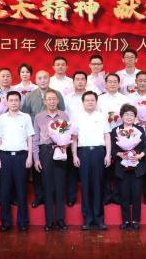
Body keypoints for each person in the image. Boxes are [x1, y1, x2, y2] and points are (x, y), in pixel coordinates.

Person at [22, 70, 66, 208]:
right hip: (37, 136)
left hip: (56, 141)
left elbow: (62, 113)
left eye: (45, 78)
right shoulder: (30, 96)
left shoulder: (57, 94)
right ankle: (40, 196)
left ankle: (55, 197)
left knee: (56, 172)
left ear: (49, 79)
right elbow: (25, 116)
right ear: (36, 80)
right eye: (40, 78)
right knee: (38, 170)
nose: (43, 80)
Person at [71, 91, 112, 230]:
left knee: (98, 186)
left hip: (99, 153)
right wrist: (74, 155)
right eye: (87, 100)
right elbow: (74, 138)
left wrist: (108, 154)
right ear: (83, 102)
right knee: (85, 186)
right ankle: (87, 219)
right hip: (83, 153)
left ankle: (99, 219)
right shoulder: (77, 117)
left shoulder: (102, 116)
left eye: (92, 100)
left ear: (96, 102)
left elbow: (107, 136)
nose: (90, 102)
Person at [0, 91, 35, 231]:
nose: (13, 103)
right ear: (7, 102)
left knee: (21, 190)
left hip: (21, 157)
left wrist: (30, 156)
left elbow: (30, 138)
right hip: (5, 156)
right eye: (11, 100)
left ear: (20, 102)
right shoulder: (1, 118)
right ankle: (5, 222)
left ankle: (23, 222)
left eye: (16, 100)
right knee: (5, 190)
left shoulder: (26, 117)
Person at [33, 90, 71, 231]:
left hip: (61, 150)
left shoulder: (64, 115)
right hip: (45, 151)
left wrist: (65, 145)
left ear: (58, 100)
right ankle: (49, 221)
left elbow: (69, 134)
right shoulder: (39, 117)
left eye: (54, 99)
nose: (52, 101)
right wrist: (36, 158)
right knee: (48, 187)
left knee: (60, 186)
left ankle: (60, 220)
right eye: (49, 99)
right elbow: (35, 139)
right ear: (44, 101)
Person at [111, 104, 146, 230]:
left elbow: (145, 147)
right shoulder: (116, 131)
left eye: (132, 115)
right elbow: (113, 149)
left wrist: (139, 156)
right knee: (124, 196)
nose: (129, 117)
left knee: (136, 196)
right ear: (121, 116)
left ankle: (136, 220)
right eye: (126, 114)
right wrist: (121, 154)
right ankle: (126, 220)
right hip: (122, 168)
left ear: (135, 117)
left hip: (137, 168)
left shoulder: (140, 130)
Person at [97, 73, 130, 204]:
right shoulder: (99, 99)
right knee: (105, 166)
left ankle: (117, 195)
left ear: (119, 84)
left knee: (118, 165)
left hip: (120, 136)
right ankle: (106, 195)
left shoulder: (124, 99)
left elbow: (128, 117)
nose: (112, 84)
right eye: (109, 82)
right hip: (103, 135)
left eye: (115, 81)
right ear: (105, 84)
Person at [127, 70, 146, 204]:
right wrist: (138, 122)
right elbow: (127, 114)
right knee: (136, 163)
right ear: (136, 82)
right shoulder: (130, 98)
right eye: (140, 80)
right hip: (134, 134)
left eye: (145, 81)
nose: (142, 83)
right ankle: (134, 196)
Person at [63, 71, 88, 207]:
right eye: (77, 79)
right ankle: (71, 197)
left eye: (82, 79)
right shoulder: (67, 98)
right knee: (71, 169)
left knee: (87, 170)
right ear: (73, 82)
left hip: (87, 137)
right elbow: (64, 117)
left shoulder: (91, 97)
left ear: (86, 81)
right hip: (70, 136)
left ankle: (89, 197)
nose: (80, 81)